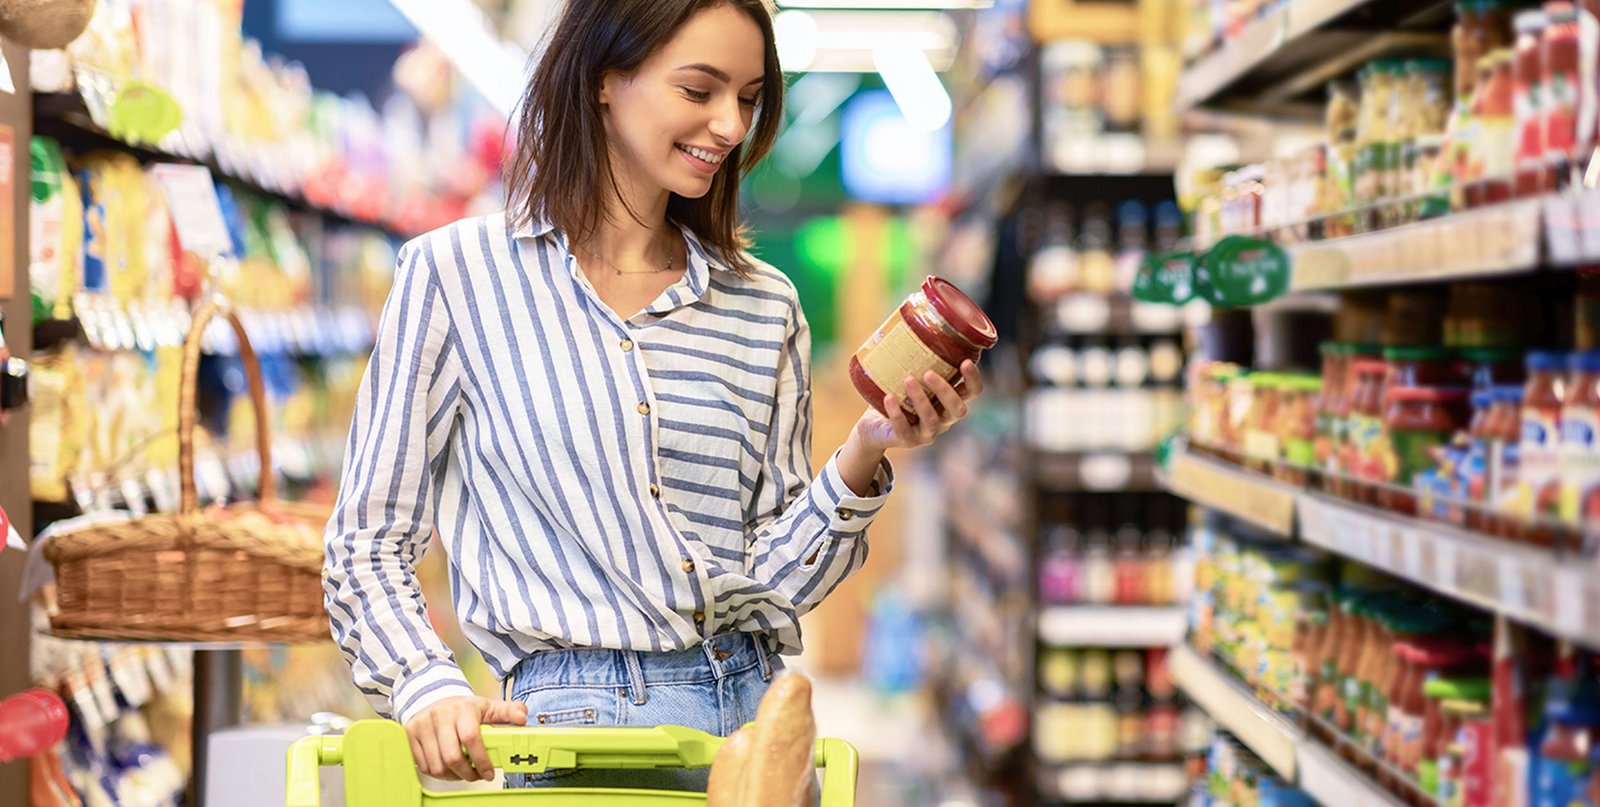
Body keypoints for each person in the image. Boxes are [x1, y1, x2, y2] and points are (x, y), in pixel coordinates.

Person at [322, 0, 984, 790]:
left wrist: (865, 452)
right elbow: (367, 539)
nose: (731, 125)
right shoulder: (456, 277)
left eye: (747, 96)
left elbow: (770, 582)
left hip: (752, 728)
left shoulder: (764, 305)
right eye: (699, 89)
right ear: (607, 78)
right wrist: (423, 679)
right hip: (570, 739)